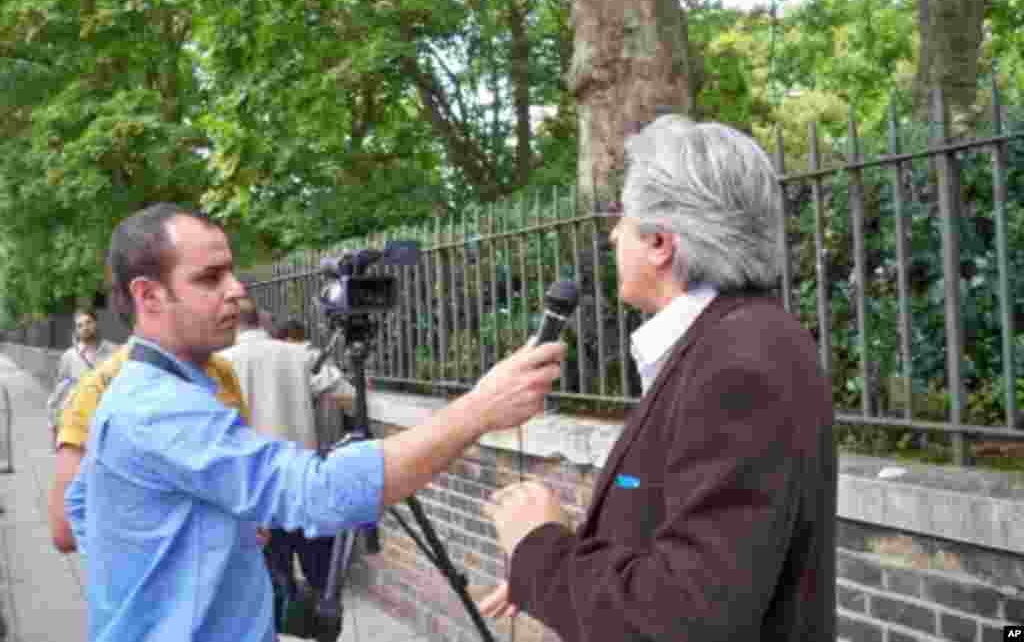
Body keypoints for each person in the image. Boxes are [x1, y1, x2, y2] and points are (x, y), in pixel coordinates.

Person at [65, 202, 565, 641]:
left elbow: (81, 503)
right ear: (149, 296)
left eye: (231, 272)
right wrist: (478, 408)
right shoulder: (159, 408)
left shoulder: (145, 388)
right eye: (209, 278)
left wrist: (186, 545)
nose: (237, 290)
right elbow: (321, 493)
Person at [481, 116, 836, 642]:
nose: (611, 232)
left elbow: (683, 618)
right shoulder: (734, 340)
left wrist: (541, 548)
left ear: (659, 243)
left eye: (620, 216)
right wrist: (559, 574)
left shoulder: (738, 364)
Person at [47, 341, 252, 553]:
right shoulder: (100, 384)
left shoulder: (222, 370)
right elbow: (66, 530)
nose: (230, 306)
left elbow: (246, 470)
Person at [218, 298, 354, 598]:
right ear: (263, 322)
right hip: (305, 487)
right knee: (323, 586)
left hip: (256, 497)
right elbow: (350, 396)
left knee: (269, 592)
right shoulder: (300, 355)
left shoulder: (219, 365)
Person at [45, 310, 118, 444]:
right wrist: (54, 426)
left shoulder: (114, 352)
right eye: (80, 325)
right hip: (80, 425)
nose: (85, 327)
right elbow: (59, 392)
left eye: (88, 322)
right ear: (76, 330)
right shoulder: (69, 357)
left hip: (109, 424)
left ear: (96, 323)